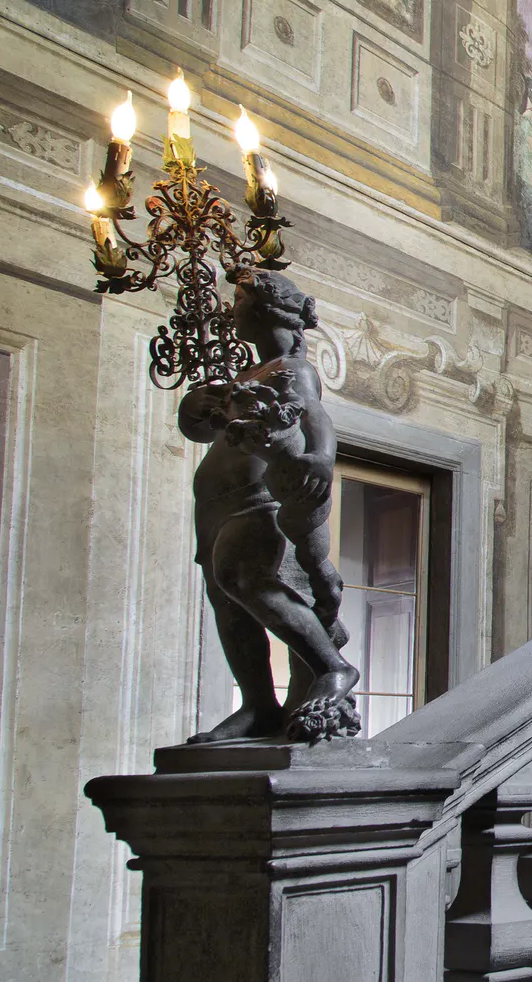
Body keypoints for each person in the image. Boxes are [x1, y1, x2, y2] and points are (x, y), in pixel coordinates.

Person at [180, 272, 358, 743]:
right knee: (228, 606)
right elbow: (200, 429)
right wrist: (198, 404)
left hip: (257, 500)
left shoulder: (291, 369)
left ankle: (332, 668)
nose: (231, 308)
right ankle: (258, 705)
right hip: (214, 508)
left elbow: (313, 413)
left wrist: (322, 457)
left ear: (267, 310)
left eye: (239, 299)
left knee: (245, 579)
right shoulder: (245, 377)